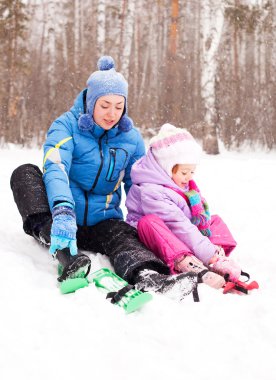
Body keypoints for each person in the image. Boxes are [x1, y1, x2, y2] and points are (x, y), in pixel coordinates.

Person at [10, 57, 200, 300]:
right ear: (91, 102)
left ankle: (150, 277)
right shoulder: (66, 126)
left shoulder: (130, 139)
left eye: (119, 106)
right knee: (25, 173)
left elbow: (141, 185)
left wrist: (157, 223)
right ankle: (66, 254)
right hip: (61, 219)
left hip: (103, 221)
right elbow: (55, 166)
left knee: (123, 236)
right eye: (105, 105)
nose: (112, 114)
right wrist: (63, 212)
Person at [126, 123, 242, 289]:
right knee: (148, 222)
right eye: (184, 172)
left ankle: (217, 257)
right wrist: (208, 254)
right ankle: (187, 262)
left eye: (192, 172)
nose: (188, 177)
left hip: (182, 233)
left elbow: (191, 221)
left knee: (214, 221)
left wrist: (210, 250)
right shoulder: (151, 190)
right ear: (165, 169)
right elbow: (176, 224)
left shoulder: (182, 186)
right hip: (159, 238)